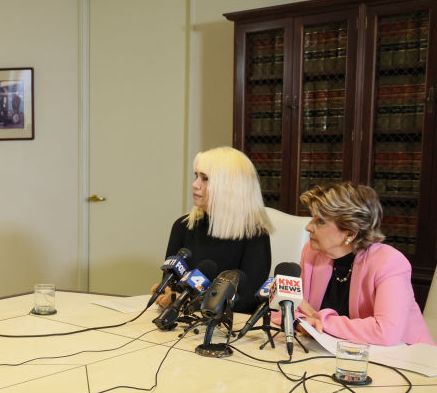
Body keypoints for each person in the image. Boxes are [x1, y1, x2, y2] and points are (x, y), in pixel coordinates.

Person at [291, 182, 433, 346]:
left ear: (350, 232)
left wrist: (321, 321)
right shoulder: (312, 252)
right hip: (340, 354)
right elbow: (287, 307)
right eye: (312, 218)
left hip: (405, 360)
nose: (308, 226)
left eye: (320, 221)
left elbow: (385, 332)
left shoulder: (389, 262)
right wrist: (300, 323)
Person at [155, 146, 272, 313]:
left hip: (230, 329)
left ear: (230, 186)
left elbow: (247, 301)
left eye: (205, 179)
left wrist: (189, 301)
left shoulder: (255, 235)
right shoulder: (182, 226)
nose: (195, 185)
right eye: (196, 176)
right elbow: (170, 284)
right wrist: (167, 294)